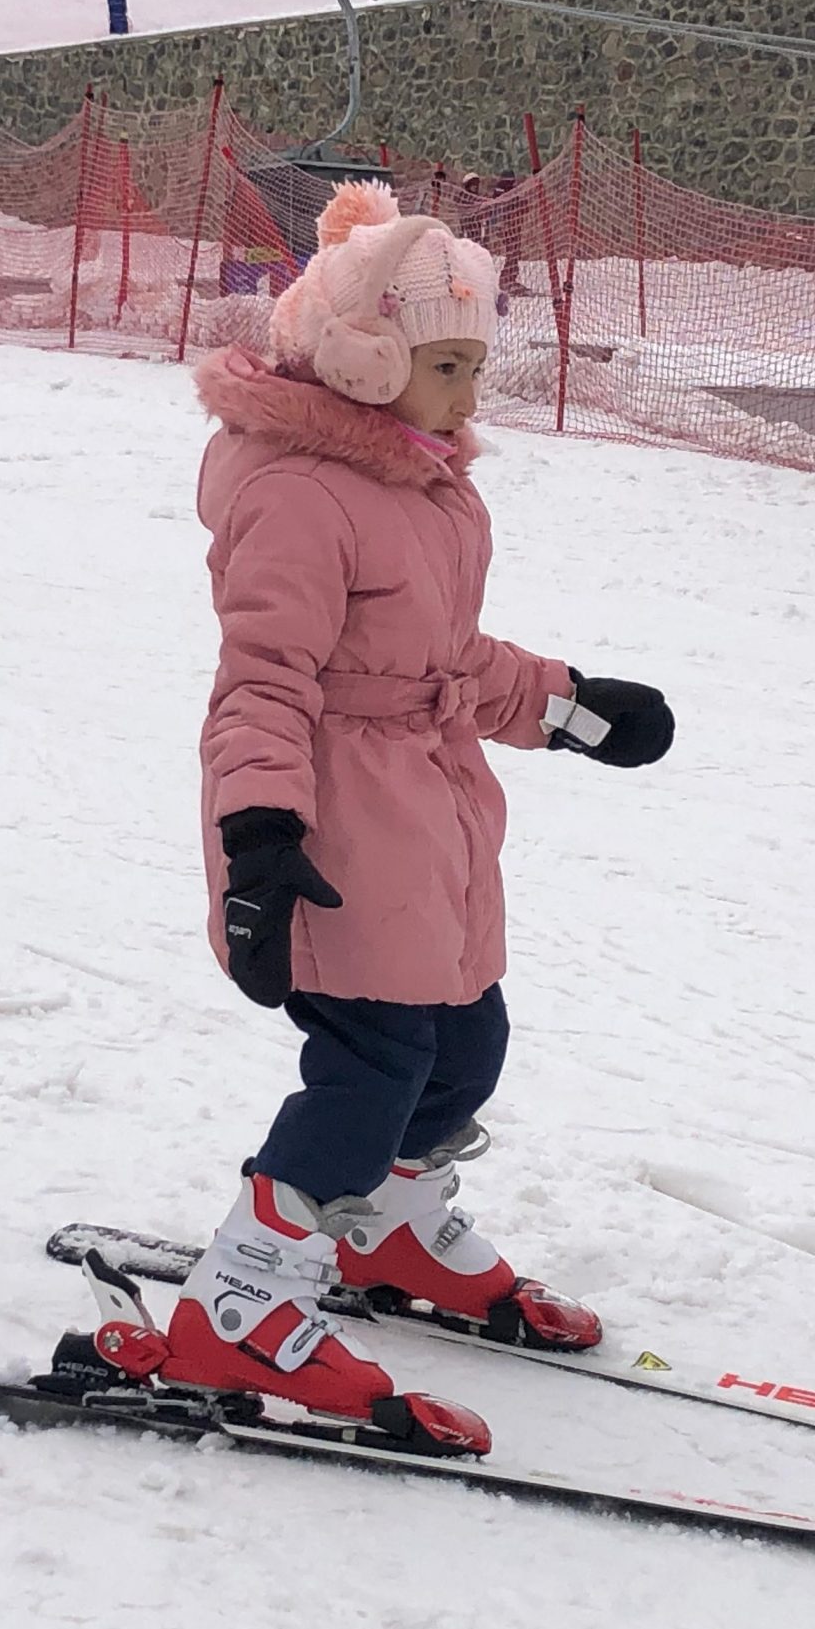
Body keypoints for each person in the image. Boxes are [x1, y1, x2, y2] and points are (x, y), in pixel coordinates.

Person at [160, 182, 676, 1442]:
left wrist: (568, 707)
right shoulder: (299, 494)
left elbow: (439, 661)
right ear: (365, 364)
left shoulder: (423, 486)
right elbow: (263, 683)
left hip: (430, 816)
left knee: (462, 1050)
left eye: (473, 366)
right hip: (332, 831)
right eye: (447, 368)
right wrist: (258, 840)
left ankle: (385, 1230)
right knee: (371, 1073)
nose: (469, 394)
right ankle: (236, 1307)